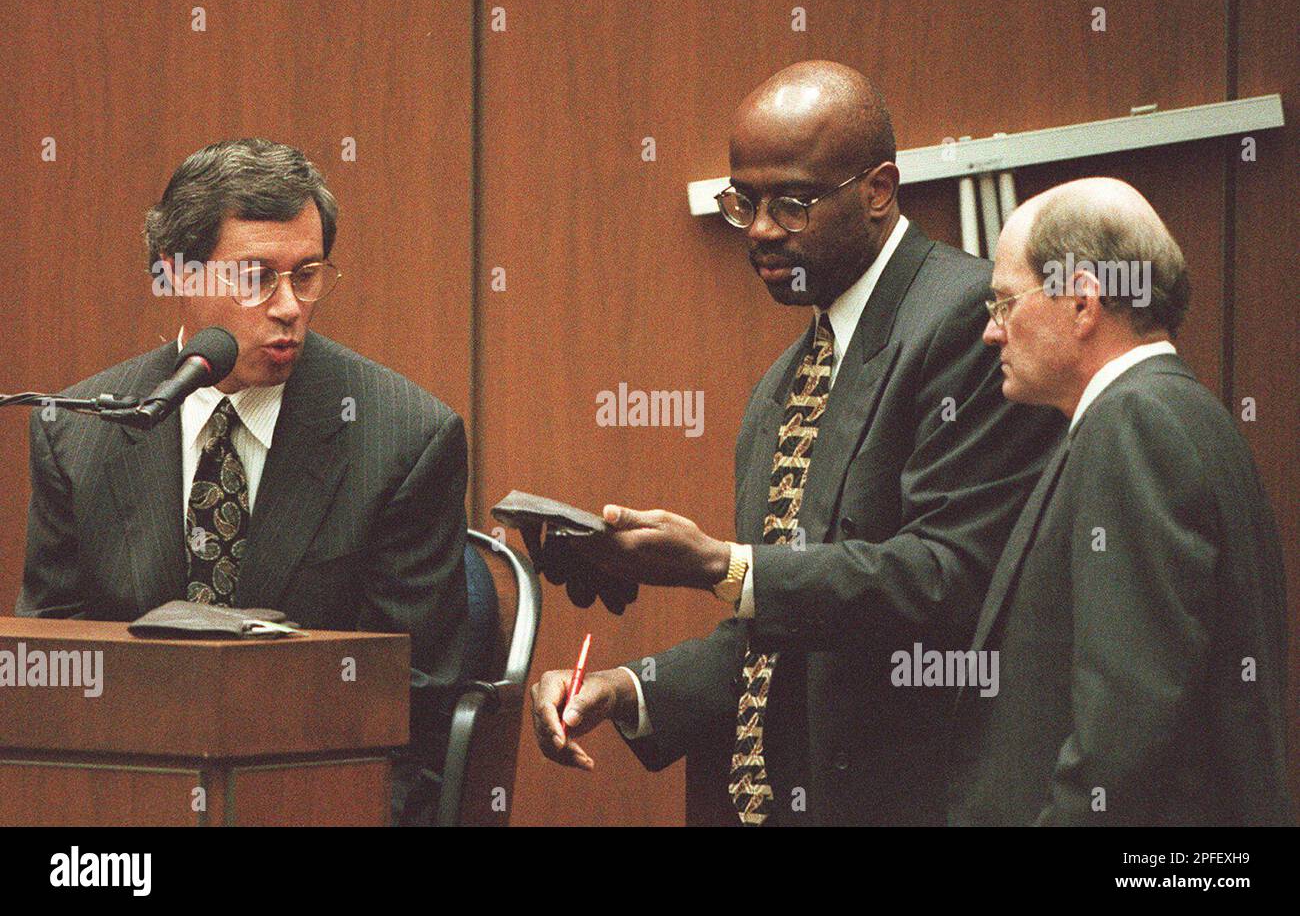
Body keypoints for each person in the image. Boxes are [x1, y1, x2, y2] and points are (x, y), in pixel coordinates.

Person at [528, 61, 1065, 826]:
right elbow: (784, 633)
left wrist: (721, 564)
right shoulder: (786, 383)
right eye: (742, 201)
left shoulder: (964, 321)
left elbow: (951, 581)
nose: (760, 230)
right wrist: (628, 686)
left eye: (791, 202)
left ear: (879, 189)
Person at [17, 138, 470, 826]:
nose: (288, 306)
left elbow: (415, 717)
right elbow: (51, 684)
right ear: (173, 274)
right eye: (254, 276)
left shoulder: (404, 439)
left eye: (307, 274)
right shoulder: (77, 432)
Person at [948, 177, 1291, 825]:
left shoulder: (1134, 423)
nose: (992, 333)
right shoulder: (1183, 411)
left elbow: (1127, 725)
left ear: (1082, 304)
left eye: (1004, 304)